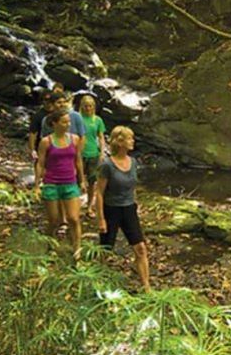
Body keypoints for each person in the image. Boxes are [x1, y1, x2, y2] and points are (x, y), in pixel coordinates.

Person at [97, 126, 150, 291]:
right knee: (106, 251)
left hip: (128, 209)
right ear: (120, 142)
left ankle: (146, 286)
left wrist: (135, 204)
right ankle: (99, 283)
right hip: (111, 210)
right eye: (129, 138)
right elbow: (99, 193)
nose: (132, 141)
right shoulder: (107, 165)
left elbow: (132, 187)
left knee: (140, 248)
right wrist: (101, 219)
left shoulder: (133, 162)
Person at [34, 109, 87, 258]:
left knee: (74, 218)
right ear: (54, 124)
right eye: (64, 122)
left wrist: (82, 180)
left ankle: (77, 248)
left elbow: (78, 160)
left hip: (70, 183)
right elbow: (40, 163)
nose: (68, 124)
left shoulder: (75, 139)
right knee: (53, 220)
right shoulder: (46, 142)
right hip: (51, 184)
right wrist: (37, 185)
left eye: (69, 122)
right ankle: (50, 245)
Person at [79, 95, 106, 218]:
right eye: (85, 106)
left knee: (92, 182)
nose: (88, 108)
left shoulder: (98, 120)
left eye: (90, 106)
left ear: (94, 107)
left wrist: (102, 152)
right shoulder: (77, 119)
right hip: (79, 153)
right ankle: (75, 206)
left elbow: (101, 137)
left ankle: (89, 207)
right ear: (82, 106)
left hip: (94, 153)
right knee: (77, 180)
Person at [28, 90, 54, 166]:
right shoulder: (38, 116)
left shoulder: (58, 113)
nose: (49, 102)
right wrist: (32, 150)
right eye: (46, 99)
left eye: (51, 99)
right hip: (42, 148)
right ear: (42, 101)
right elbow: (33, 133)